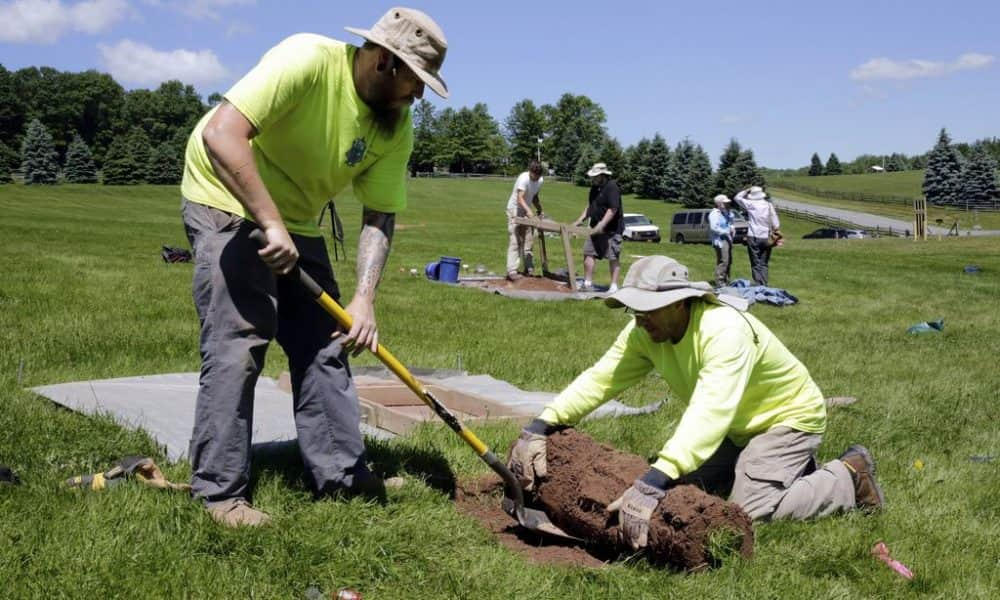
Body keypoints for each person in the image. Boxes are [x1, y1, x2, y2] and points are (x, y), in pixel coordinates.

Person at [178, 7, 449, 527]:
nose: (418, 96)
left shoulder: (396, 124)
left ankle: (343, 476)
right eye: (417, 82)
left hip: (294, 216)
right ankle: (218, 496)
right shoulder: (307, 59)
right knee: (240, 342)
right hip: (224, 193)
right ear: (387, 62)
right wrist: (268, 221)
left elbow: (380, 214)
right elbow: (221, 134)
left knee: (327, 339)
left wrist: (364, 298)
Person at [509, 255, 883, 550]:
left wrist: (658, 476)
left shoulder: (724, 331)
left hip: (786, 420)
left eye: (647, 309)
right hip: (735, 427)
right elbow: (601, 378)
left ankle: (848, 477)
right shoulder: (645, 331)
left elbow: (711, 410)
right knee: (679, 487)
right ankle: (786, 472)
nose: (638, 320)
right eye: (633, 310)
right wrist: (542, 424)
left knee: (748, 511)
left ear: (680, 303)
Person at [572, 162, 623, 292]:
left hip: (612, 229)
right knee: (588, 252)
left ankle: (613, 286)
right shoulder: (594, 188)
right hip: (595, 228)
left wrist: (602, 225)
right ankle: (588, 283)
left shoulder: (612, 187)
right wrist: (579, 220)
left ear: (602, 175)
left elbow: (613, 209)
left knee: (613, 256)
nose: (593, 178)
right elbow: (590, 207)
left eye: (595, 176)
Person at [733, 185, 781, 286]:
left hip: (753, 235)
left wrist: (746, 190)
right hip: (766, 236)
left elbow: (737, 198)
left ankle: (758, 283)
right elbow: (775, 222)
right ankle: (764, 283)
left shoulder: (750, 204)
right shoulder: (768, 205)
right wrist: (775, 229)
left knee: (755, 262)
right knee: (764, 262)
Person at [505, 160, 545, 281]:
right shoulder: (524, 178)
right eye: (534, 176)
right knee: (515, 240)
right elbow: (520, 198)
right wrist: (529, 212)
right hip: (514, 209)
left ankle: (529, 268)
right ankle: (512, 271)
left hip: (525, 209)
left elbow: (534, 196)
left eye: (538, 176)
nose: (536, 178)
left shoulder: (540, 180)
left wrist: (539, 209)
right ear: (530, 172)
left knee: (529, 239)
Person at [708, 194, 735, 287]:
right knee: (724, 261)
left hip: (727, 239)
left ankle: (726, 279)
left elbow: (730, 222)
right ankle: (719, 281)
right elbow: (713, 227)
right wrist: (726, 231)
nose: (727, 204)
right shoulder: (714, 214)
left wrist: (731, 227)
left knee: (729, 260)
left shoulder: (725, 213)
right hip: (720, 240)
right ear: (719, 203)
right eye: (725, 203)